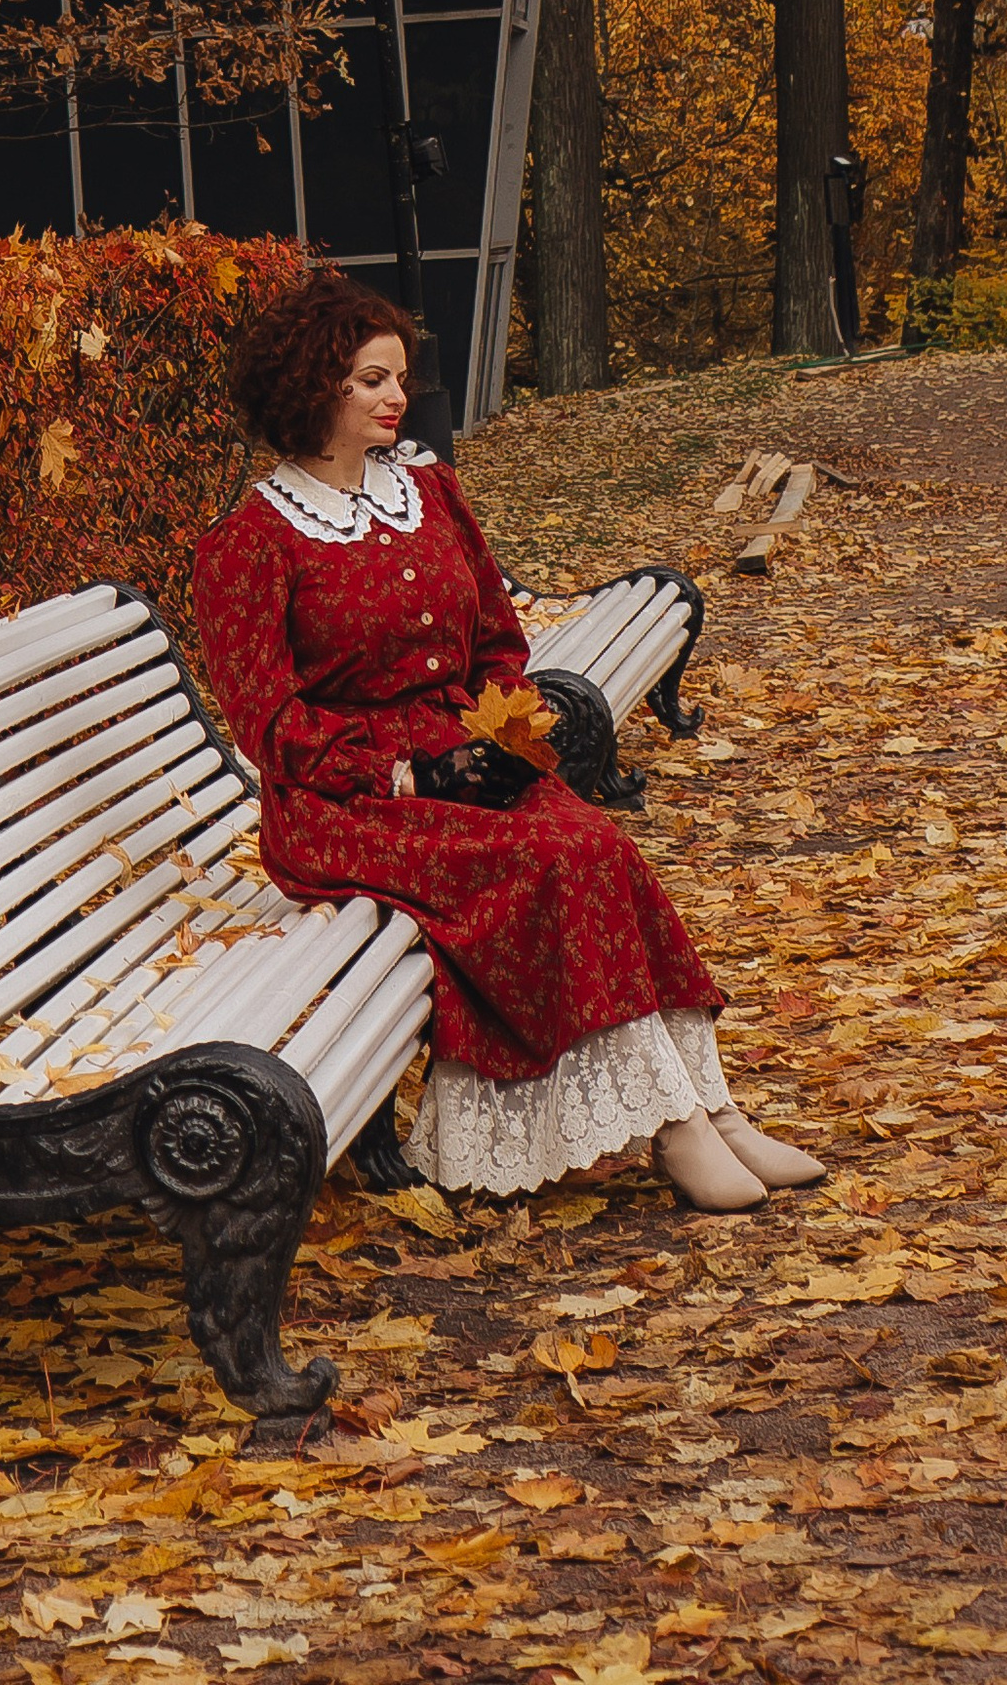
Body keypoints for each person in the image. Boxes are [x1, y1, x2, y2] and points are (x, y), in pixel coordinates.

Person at [191, 269, 825, 1209]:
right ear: (311, 387)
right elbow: (270, 724)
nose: (396, 397)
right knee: (557, 856)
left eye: (397, 378)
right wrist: (409, 771)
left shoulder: (428, 489)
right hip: (345, 806)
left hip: (464, 760)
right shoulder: (250, 542)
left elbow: (495, 636)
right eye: (370, 380)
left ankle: (713, 1107)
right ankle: (676, 1126)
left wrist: (509, 737)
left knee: (597, 841)